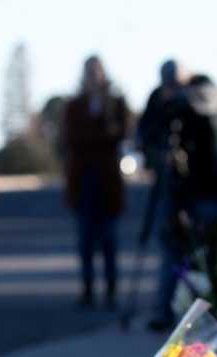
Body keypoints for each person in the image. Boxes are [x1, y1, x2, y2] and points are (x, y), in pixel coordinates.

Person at [148, 74, 217, 331]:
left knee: (193, 252)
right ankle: (214, 311)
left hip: (204, 188)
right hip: (210, 187)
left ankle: (175, 311)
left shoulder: (196, 106)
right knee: (208, 253)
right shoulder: (211, 103)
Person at [62, 55, 130, 309]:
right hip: (83, 182)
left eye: (96, 71)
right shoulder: (75, 105)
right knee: (86, 240)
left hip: (108, 182)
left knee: (110, 239)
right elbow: (72, 138)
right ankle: (88, 289)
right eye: (89, 72)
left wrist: (104, 117)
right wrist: (99, 135)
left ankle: (111, 289)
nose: (93, 77)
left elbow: (121, 133)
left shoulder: (115, 103)